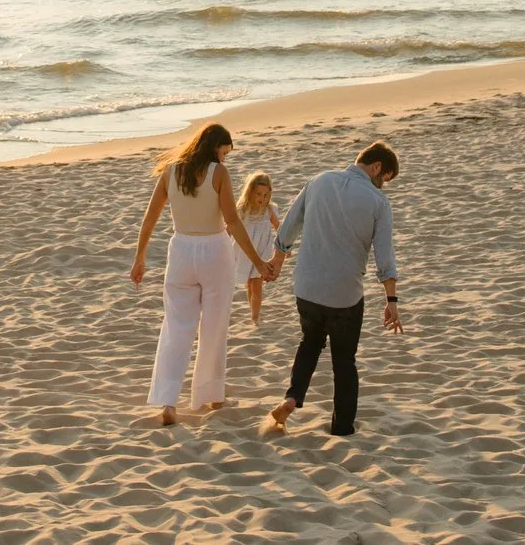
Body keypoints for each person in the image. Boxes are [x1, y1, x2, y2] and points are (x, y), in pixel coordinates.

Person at [130, 122, 280, 425]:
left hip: (181, 251)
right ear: (214, 147)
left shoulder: (171, 171)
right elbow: (233, 221)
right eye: (224, 152)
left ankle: (169, 402)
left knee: (176, 327)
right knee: (214, 326)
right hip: (214, 251)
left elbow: (150, 217)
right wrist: (258, 260)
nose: (224, 158)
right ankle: (211, 395)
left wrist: (139, 257)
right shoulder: (218, 173)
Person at [264, 140, 402, 438]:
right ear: (377, 167)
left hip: (307, 288)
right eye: (385, 179)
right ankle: (342, 428)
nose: (383, 186)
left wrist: (277, 260)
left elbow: (289, 225)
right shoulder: (378, 203)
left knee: (310, 342)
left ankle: (292, 397)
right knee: (344, 361)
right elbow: (385, 255)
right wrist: (391, 299)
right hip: (344, 296)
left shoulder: (319, 180)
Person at [232, 171, 280, 327]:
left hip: (263, 252)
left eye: (266, 195)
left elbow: (279, 227)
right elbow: (231, 228)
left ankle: (255, 317)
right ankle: (253, 312)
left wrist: (283, 249)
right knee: (249, 284)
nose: (262, 198)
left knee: (257, 284)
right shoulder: (242, 210)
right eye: (258, 194)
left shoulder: (269, 210)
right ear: (250, 192)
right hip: (246, 252)